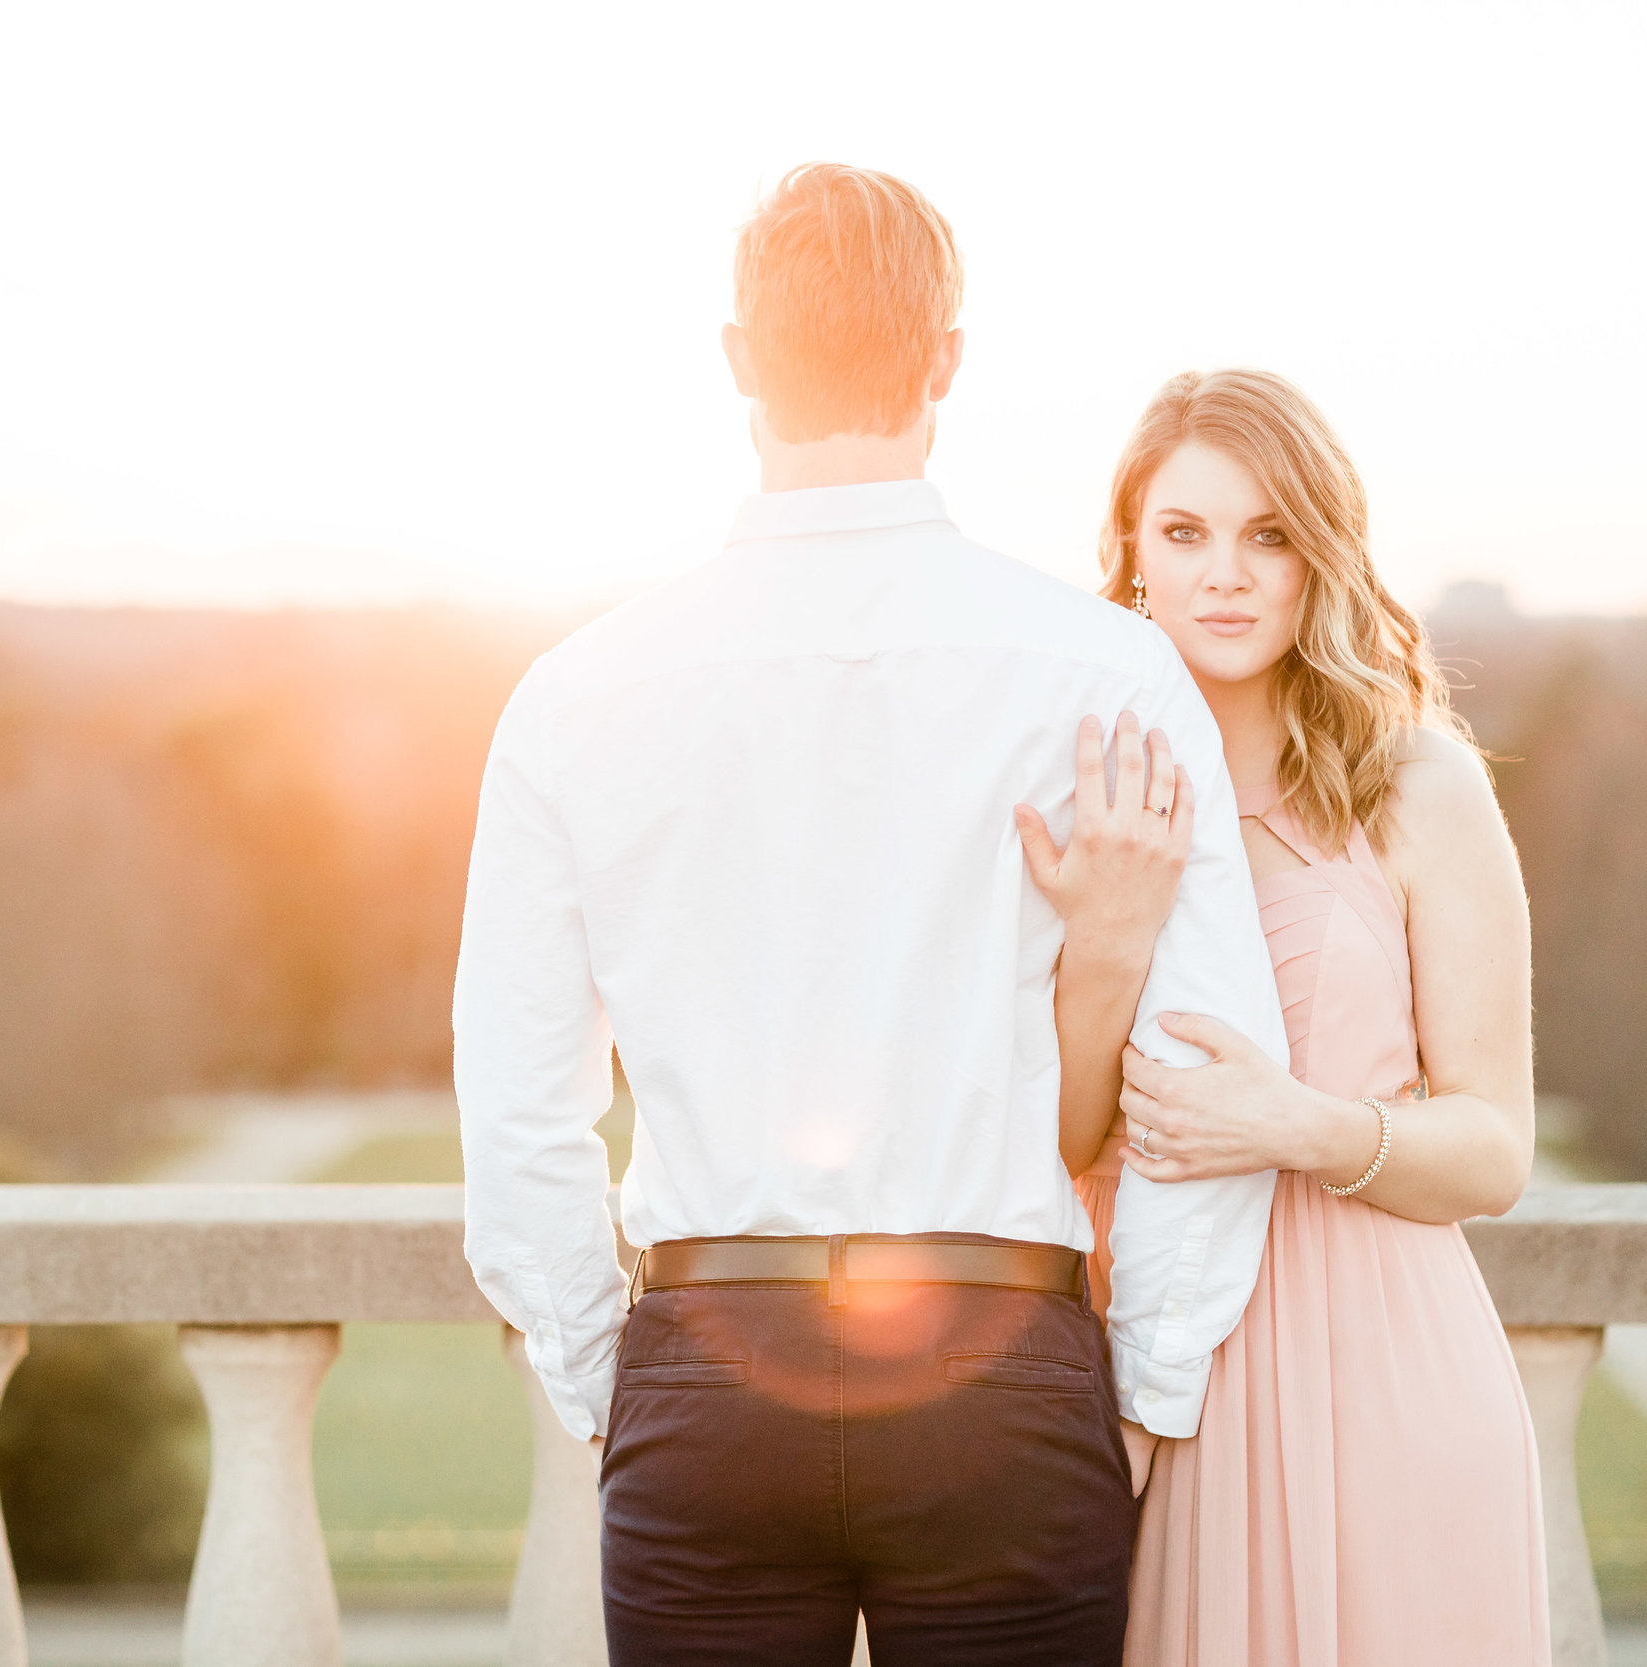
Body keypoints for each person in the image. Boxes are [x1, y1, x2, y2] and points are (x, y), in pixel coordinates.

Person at [454, 166, 1288, 1664]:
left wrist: (613, 1384)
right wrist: (1148, 1387)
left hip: (707, 1370)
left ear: (736, 361)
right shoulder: (1104, 672)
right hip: (1005, 1367)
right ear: (949, 358)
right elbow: (1204, 1077)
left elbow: (519, 1115)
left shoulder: (576, 697)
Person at [1046, 369, 1548, 1664]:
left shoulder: (1418, 784)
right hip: (1151, 1380)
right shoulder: (1073, 784)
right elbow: (1052, 1134)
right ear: (1130, 553)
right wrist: (1106, 936)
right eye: (1185, 532)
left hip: (1386, 1376)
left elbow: (1495, 1148)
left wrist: (1299, 1125)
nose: (1226, 574)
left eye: (1268, 535)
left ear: (1319, 554)